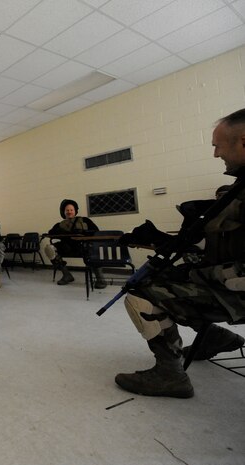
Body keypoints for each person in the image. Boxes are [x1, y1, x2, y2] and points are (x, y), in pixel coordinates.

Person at [114, 108, 245, 398]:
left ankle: (170, 375)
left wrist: (199, 272)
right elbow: (223, 246)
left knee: (142, 291)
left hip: (236, 291)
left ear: (243, 141)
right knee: (166, 277)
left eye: (218, 146)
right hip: (228, 284)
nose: (215, 154)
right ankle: (213, 337)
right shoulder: (239, 188)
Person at [44, 199, 106, 288]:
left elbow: (96, 231)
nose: (69, 212)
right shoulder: (60, 224)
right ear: (64, 212)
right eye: (67, 210)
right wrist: (63, 232)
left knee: (93, 249)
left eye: (71, 210)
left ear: (75, 211)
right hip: (66, 247)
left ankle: (100, 279)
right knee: (49, 249)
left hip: (83, 246)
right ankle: (67, 275)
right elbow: (51, 232)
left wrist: (83, 232)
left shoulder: (85, 220)